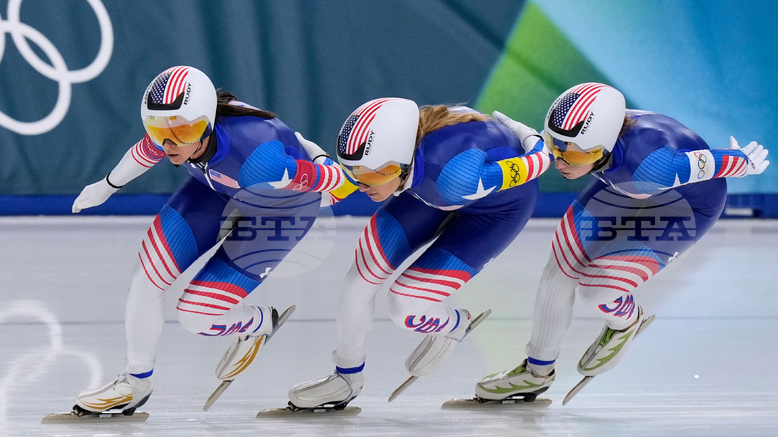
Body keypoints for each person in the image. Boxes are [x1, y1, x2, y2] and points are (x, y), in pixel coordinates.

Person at [69, 66, 354, 415]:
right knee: (147, 275)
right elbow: (144, 152)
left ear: (206, 123)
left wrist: (318, 161)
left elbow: (340, 183)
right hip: (215, 190)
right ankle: (136, 381)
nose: (170, 144)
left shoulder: (258, 157)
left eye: (183, 132)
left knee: (196, 317)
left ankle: (259, 322)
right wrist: (106, 187)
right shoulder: (177, 129)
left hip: (279, 212)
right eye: (159, 133)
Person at [476, 83, 770, 402]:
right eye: (555, 147)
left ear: (602, 147)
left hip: (684, 204)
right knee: (559, 270)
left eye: (574, 154)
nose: (560, 162)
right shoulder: (587, 139)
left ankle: (626, 322)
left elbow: (721, 163)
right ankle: (536, 372)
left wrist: (743, 161)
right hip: (622, 186)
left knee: (599, 290)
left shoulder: (652, 165)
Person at [288, 97, 552, 410]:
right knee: (361, 275)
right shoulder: (391, 158)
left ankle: (453, 324)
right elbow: (337, 187)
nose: (361, 185)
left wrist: (524, 133)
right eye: (354, 172)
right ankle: (346, 377)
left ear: (397, 164)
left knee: (406, 305)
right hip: (427, 190)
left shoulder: (454, 179)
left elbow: (540, 161)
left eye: (370, 176)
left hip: (496, 209)